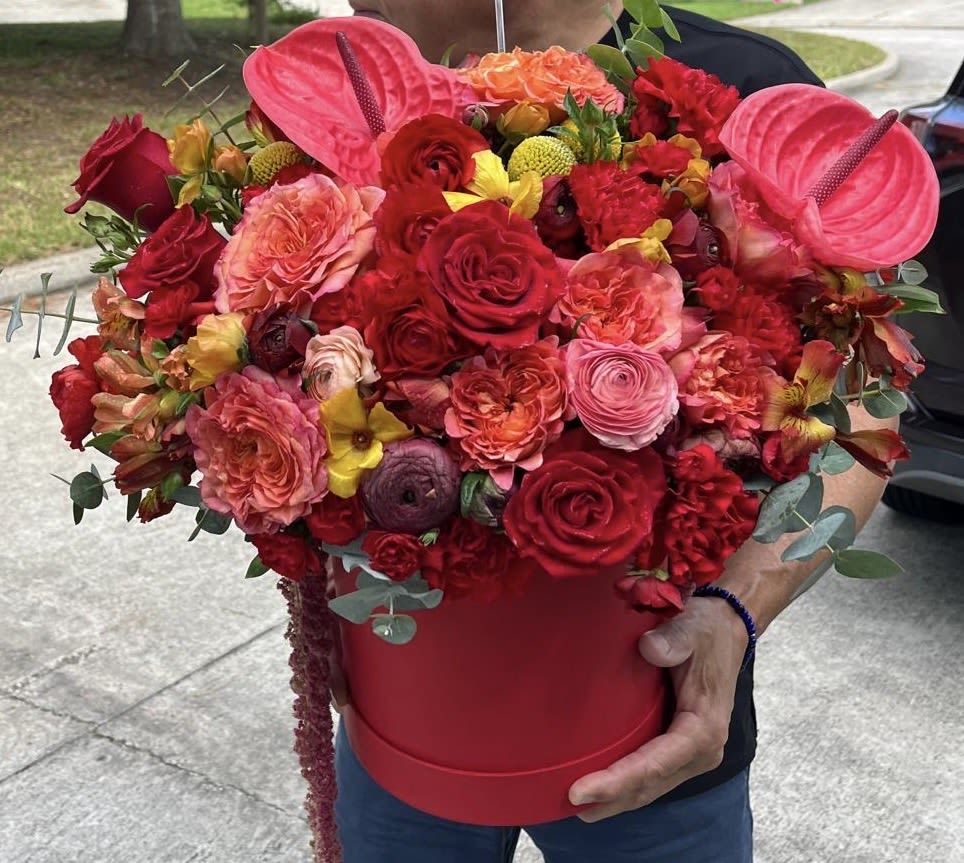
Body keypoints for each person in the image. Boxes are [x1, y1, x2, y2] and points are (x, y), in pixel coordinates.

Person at [335, 2, 893, 861]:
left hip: (659, 722)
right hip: (403, 710)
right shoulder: (350, 95)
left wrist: (735, 610)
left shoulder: (741, 87)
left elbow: (868, 412)